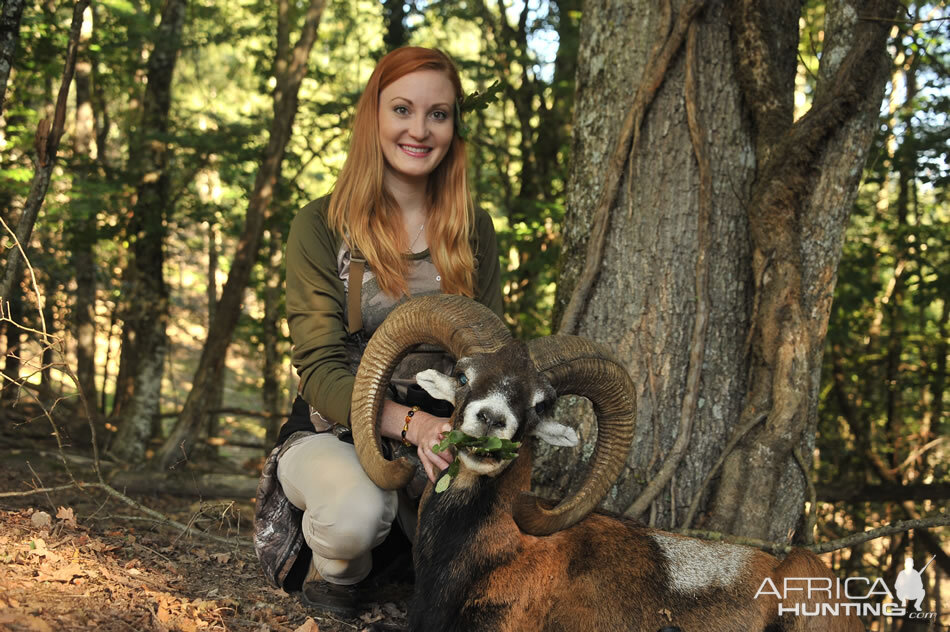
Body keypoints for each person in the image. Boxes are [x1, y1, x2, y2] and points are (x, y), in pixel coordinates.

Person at [253, 46, 504, 619]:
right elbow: (318, 368)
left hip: (446, 433)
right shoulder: (321, 224)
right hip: (339, 429)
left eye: (438, 114)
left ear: (452, 126)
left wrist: (461, 437)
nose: (420, 130)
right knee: (353, 516)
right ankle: (338, 576)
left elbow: (492, 351)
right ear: (373, 116)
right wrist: (412, 425)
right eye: (402, 110)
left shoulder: (474, 229)